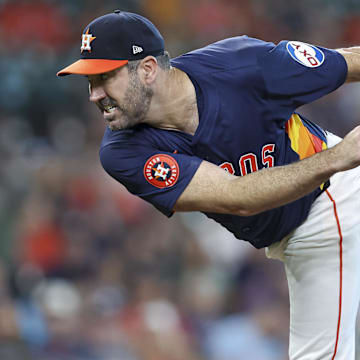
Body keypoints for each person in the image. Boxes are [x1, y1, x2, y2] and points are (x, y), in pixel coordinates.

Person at [57, 10, 360, 359]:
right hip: (316, 196)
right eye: (89, 82)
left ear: (148, 69)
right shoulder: (123, 151)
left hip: (331, 196)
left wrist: (340, 160)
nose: (95, 95)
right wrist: (339, 159)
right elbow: (238, 197)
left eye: (104, 78)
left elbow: (347, 63)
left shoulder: (245, 65)